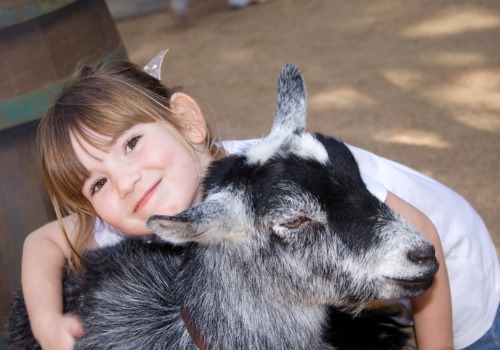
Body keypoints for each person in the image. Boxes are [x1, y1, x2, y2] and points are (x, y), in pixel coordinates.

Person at [21, 52, 499, 350]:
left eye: (131, 144)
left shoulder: (300, 165)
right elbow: (43, 243)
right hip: (360, 290)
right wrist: (46, 322)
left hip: (452, 286)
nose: (124, 182)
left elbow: (427, 237)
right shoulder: (149, 214)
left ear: (187, 122)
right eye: (96, 184)